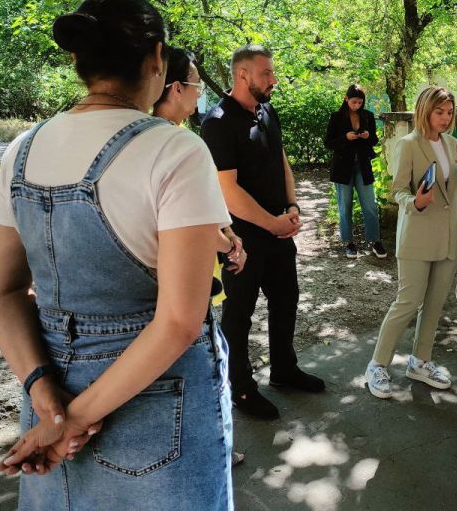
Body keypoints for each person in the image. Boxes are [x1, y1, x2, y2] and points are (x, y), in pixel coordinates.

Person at [0, 0, 234, 510]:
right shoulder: (175, 149)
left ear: (78, 58)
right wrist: (73, 418)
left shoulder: (21, 151)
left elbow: (0, 291)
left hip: (47, 394)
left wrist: (46, 396)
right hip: (159, 401)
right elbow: (179, 322)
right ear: (157, 57)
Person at [201, 44, 325, 420]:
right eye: (266, 73)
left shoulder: (267, 111)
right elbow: (228, 190)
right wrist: (270, 222)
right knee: (239, 315)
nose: (273, 79)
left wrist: (292, 207)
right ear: (242, 75)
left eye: (272, 72)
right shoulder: (218, 122)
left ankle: (284, 370)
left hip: (278, 234)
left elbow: (282, 162)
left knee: (286, 300)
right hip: (242, 241)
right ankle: (240, 388)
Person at [151, 45, 247, 468]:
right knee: (202, 369)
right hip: (188, 281)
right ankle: (215, 450)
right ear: (173, 88)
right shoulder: (176, 143)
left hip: (173, 274)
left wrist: (225, 233)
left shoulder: (150, 139)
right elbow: (199, 224)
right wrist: (231, 245)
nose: (198, 95)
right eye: (193, 85)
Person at [365, 86, 457, 399]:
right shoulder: (408, 145)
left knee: (434, 304)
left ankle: (420, 362)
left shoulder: (453, 143)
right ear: (425, 111)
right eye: (439, 112)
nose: (445, 118)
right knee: (407, 302)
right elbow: (397, 191)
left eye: (449, 112)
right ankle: (377, 365)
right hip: (416, 236)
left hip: (447, 237)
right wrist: (414, 201)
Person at [324, 84, 387, 259]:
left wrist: (368, 136)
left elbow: (374, 139)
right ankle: (349, 243)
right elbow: (328, 143)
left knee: (370, 206)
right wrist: (345, 137)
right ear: (346, 99)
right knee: (345, 206)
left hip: (363, 166)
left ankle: (375, 241)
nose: (357, 105)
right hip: (342, 167)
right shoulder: (336, 117)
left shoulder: (367, 115)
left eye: (360, 102)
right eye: (354, 102)